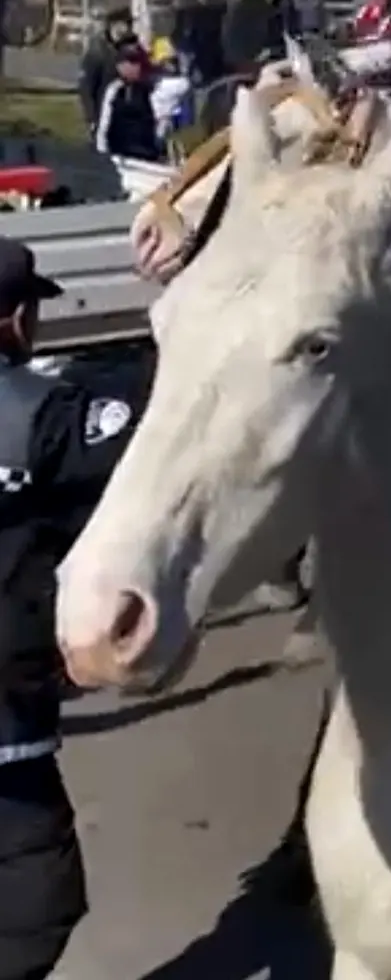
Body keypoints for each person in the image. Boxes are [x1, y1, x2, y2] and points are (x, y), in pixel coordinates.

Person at [0, 237, 151, 978]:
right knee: (39, 896)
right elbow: (138, 436)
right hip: (6, 710)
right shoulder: (40, 417)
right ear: (14, 320)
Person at [93, 38, 162, 162]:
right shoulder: (115, 89)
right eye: (131, 63)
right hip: (119, 154)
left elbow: (158, 123)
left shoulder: (150, 90)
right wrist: (102, 152)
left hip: (145, 154)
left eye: (137, 63)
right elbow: (104, 123)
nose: (136, 67)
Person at [77, 7, 135, 141]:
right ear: (114, 25)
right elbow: (86, 88)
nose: (129, 28)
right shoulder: (97, 51)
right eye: (126, 24)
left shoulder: (128, 48)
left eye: (130, 24)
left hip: (123, 116)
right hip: (102, 114)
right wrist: (91, 118)